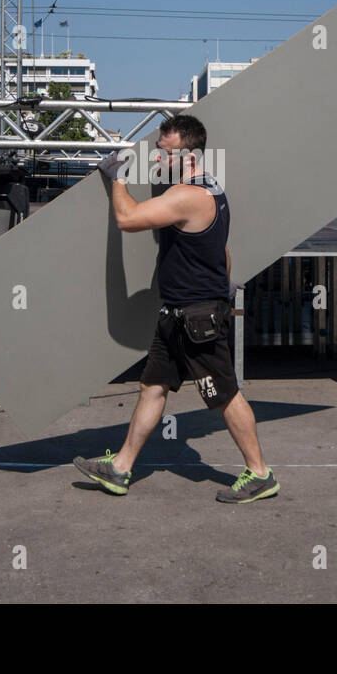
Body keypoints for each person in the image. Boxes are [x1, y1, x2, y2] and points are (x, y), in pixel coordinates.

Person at [73, 115, 279, 504]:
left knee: (224, 395)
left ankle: (260, 473)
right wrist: (223, 283)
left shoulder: (188, 196)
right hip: (177, 315)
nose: (157, 159)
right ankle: (120, 468)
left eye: (163, 152)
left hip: (196, 318)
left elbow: (127, 219)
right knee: (152, 389)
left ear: (186, 155)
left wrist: (117, 177)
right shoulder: (210, 189)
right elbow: (223, 250)